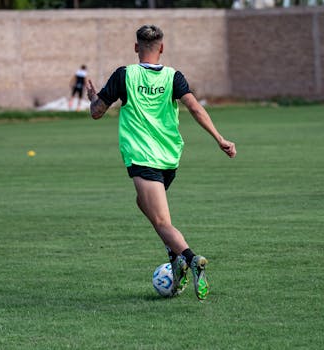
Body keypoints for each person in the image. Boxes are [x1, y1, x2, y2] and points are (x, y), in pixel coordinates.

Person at [86, 25, 237, 300]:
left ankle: (191, 260)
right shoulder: (172, 77)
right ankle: (174, 255)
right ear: (162, 48)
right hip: (169, 158)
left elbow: (97, 112)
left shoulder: (125, 75)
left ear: (136, 48)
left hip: (143, 156)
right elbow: (195, 107)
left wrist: (92, 99)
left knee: (161, 220)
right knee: (142, 203)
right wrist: (219, 138)